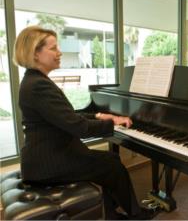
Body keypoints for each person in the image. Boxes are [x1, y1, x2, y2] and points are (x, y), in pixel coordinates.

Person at [14, 26, 155, 219]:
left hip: (48, 155)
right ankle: (135, 215)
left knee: (110, 161)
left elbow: (65, 116)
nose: (59, 52)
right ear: (35, 53)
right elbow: (78, 127)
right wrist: (114, 124)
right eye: (53, 48)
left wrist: (99, 116)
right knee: (111, 165)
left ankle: (112, 213)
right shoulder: (38, 85)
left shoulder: (34, 81)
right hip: (48, 163)